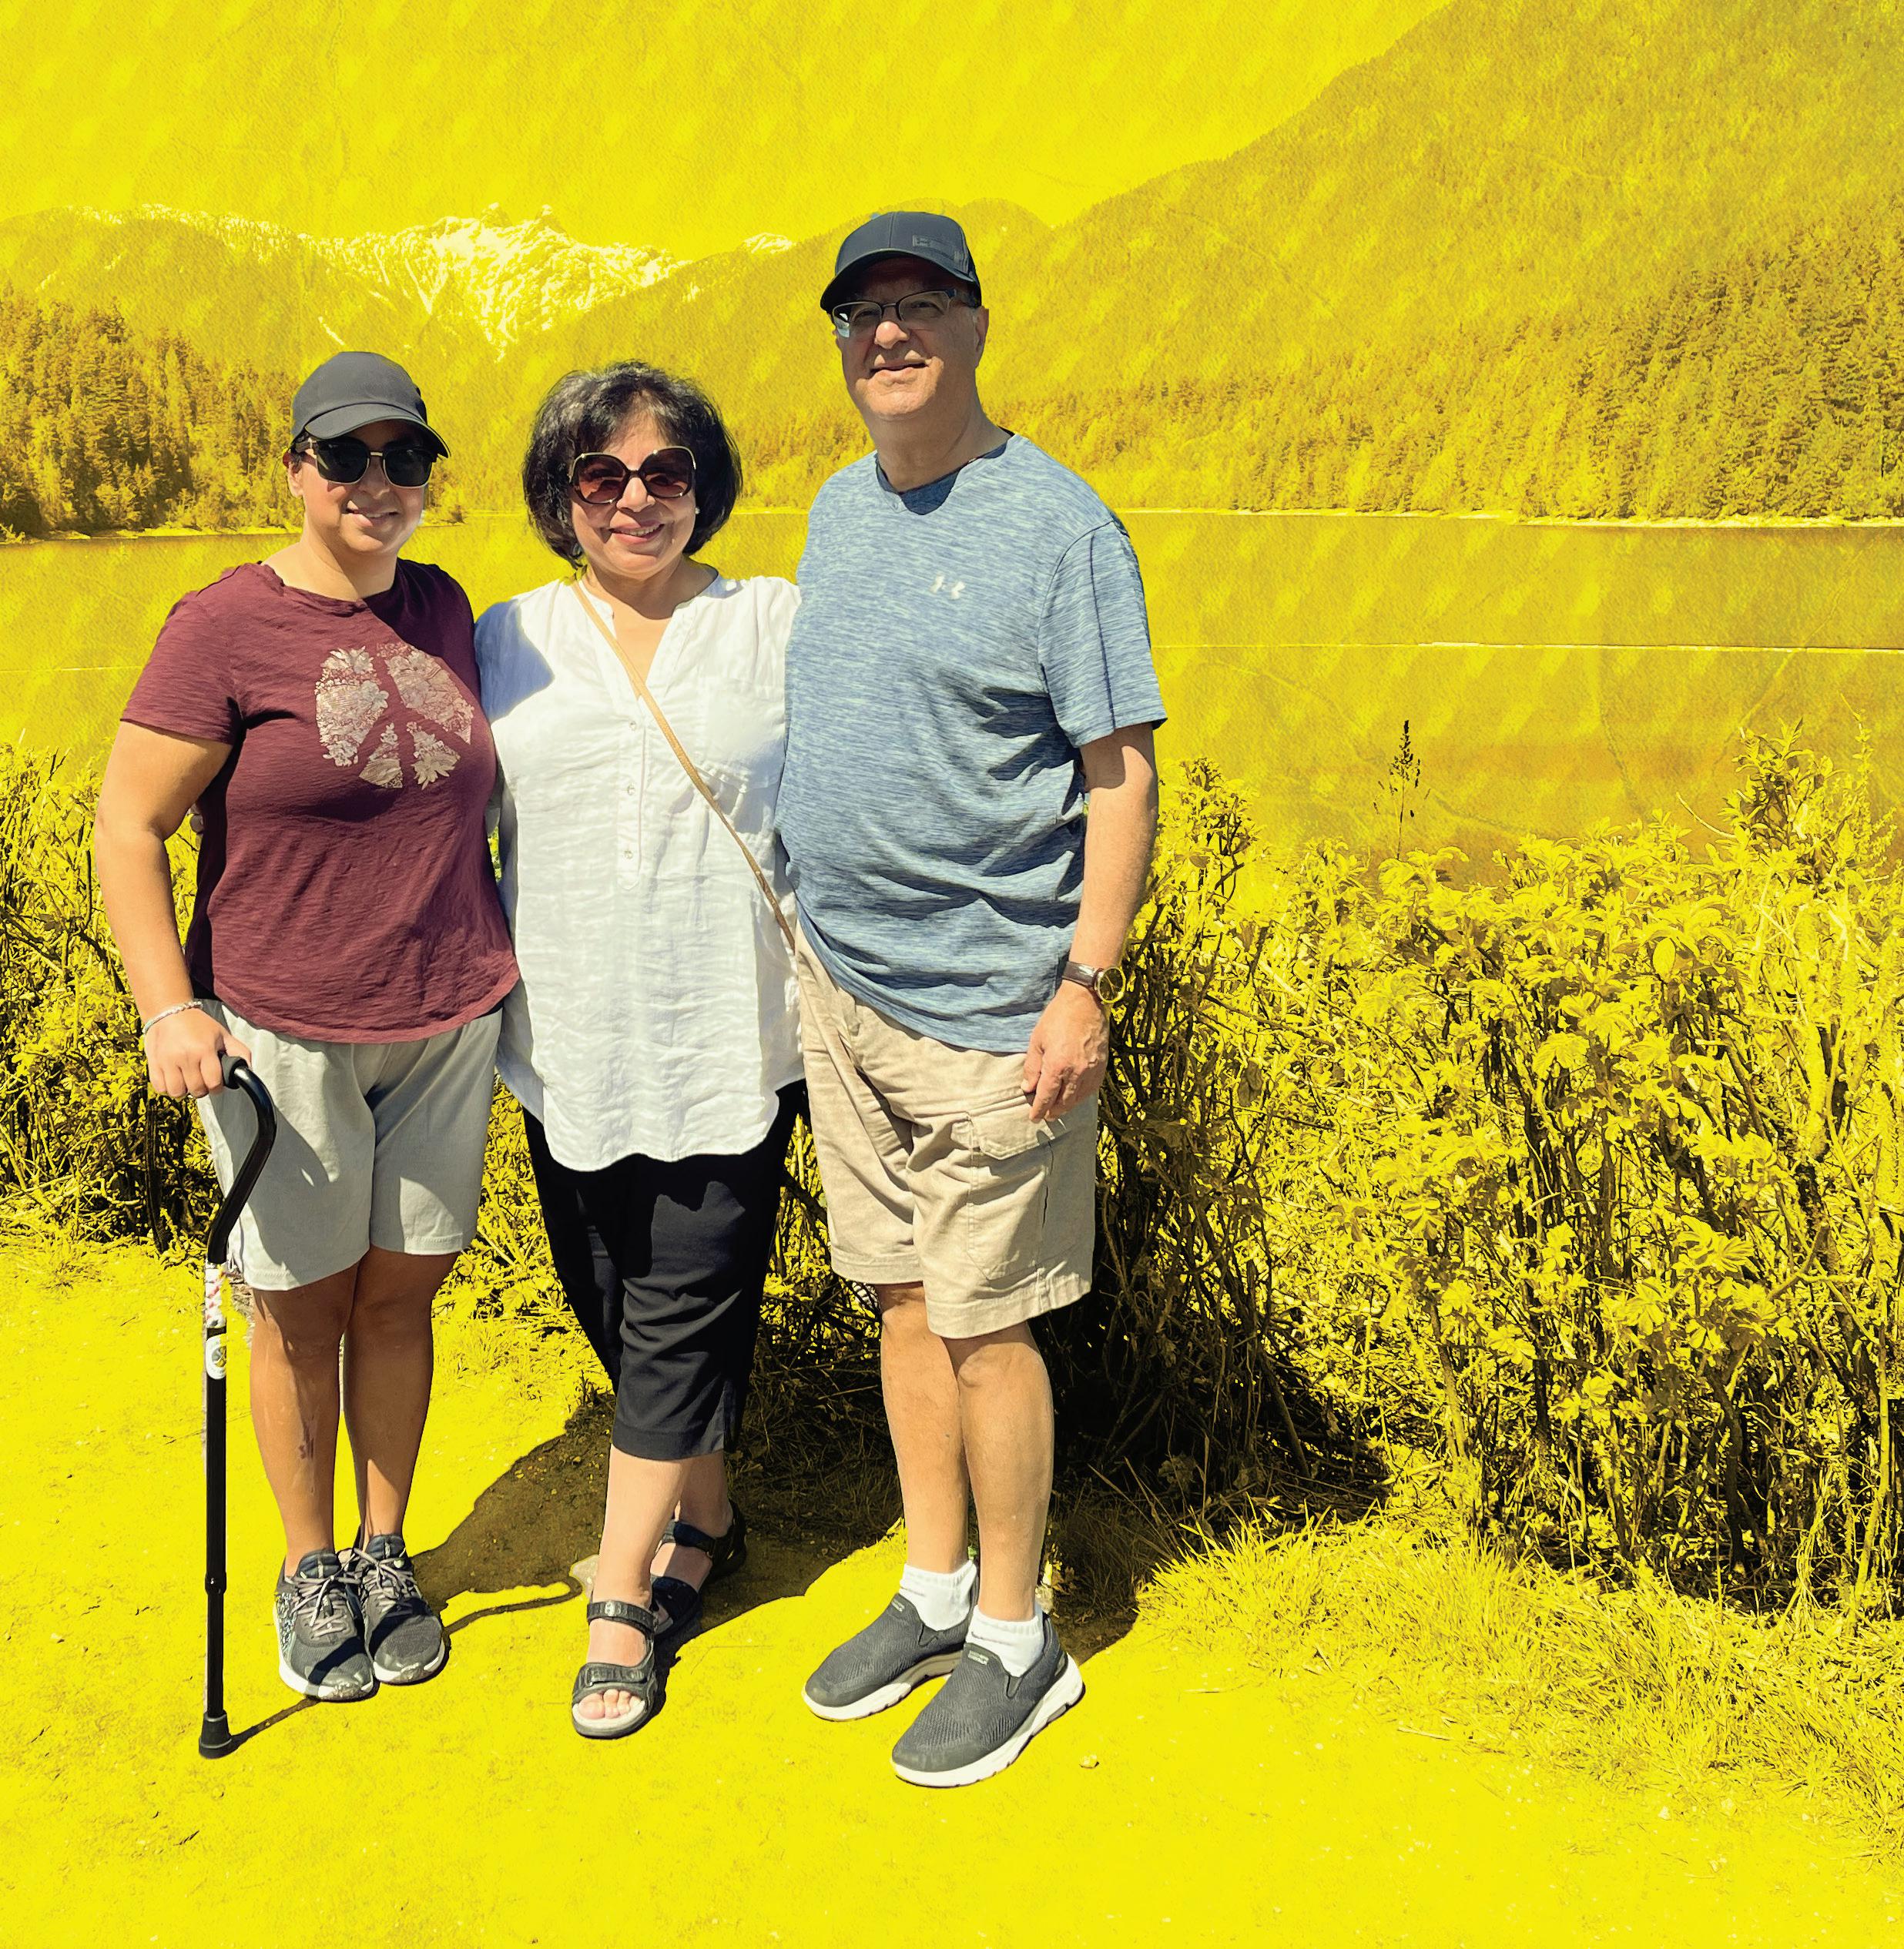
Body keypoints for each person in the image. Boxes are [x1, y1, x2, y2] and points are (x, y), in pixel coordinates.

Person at [781, 213, 1164, 1786]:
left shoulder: (1061, 530)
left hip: (993, 1012)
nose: (889, 332)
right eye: (861, 311)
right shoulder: (836, 507)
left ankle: (1018, 1636)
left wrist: (1083, 983)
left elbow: (1119, 772)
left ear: (977, 322)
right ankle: (933, 1584)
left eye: (920, 303)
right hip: (845, 985)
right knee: (899, 1295)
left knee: (990, 1325)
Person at [93, 351, 518, 1703]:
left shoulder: (444, 607)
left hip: (445, 1015)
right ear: (295, 470)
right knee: (295, 1311)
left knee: (399, 1296)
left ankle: (384, 1553)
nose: (378, 483)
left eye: (407, 458)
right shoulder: (224, 626)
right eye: (347, 457)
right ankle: (307, 1563)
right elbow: (128, 826)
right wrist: (170, 1007)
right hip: (282, 1030)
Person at [474, 363, 802, 1740]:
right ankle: (705, 1517)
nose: (635, 500)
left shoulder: (773, 622)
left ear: (703, 488)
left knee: (682, 1302)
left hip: (731, 1029)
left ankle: (621, 1598)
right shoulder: (505, 636)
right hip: (567, 1039)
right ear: (560, 493)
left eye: (667, 472)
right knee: (608, 1292)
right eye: (601, 475)